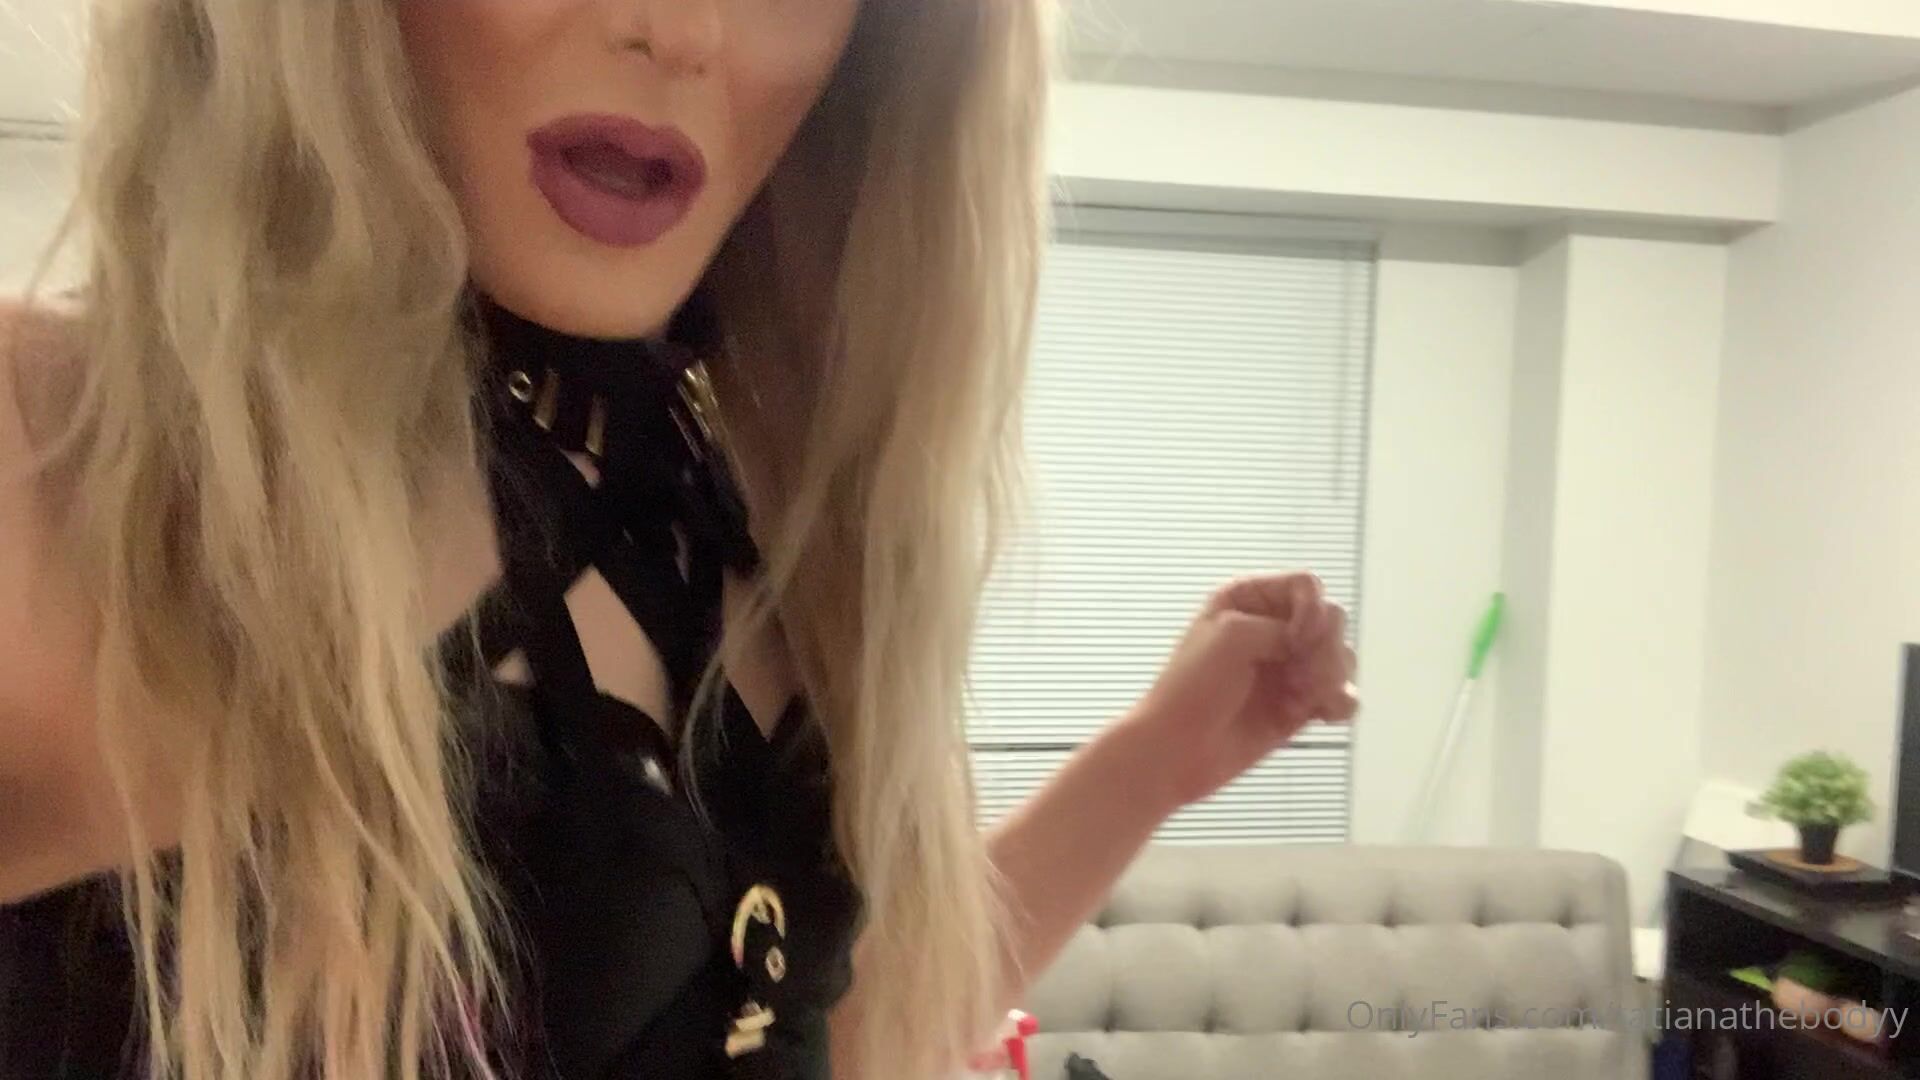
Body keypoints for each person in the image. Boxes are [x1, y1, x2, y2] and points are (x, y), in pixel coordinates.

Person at [0, 2, 1359, 1078]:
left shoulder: (767, 513)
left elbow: (842, 1027)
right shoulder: (52, 459)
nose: (685, 27)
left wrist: (1154, 763)